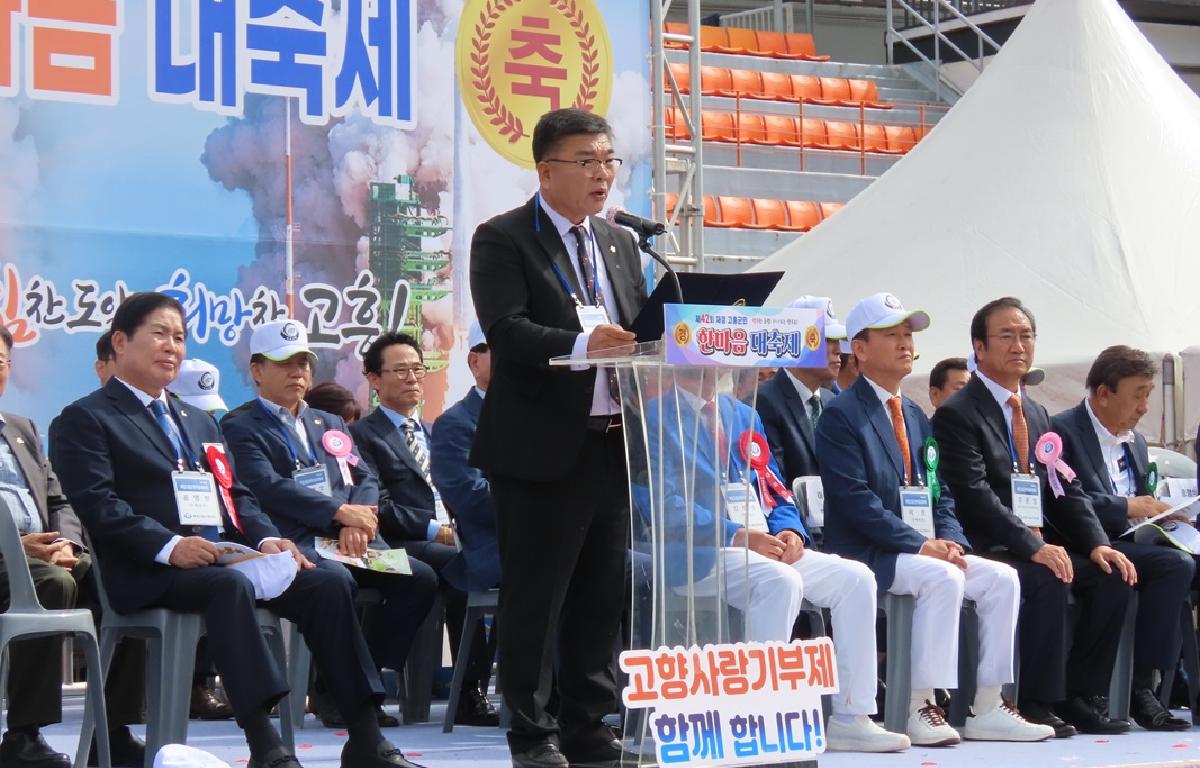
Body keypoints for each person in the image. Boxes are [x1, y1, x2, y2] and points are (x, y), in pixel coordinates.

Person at [52, 292, 423, 768]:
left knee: (327, 581)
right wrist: (170, 546)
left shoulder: (198, 418)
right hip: (149, 567)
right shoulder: (87, 418)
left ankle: (366, 737)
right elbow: (99, 506)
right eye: (160, 335)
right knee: (226, 586)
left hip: (224, 555)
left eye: (180, 337)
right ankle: (264, 743)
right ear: (120, 342)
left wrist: (268, 540)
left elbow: (238, 495)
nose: (172, 347)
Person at [469, 108, 648, 768]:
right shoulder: (504, 239)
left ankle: (587, 725)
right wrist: (582, 343)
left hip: (612, 443)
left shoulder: (622, 244)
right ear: (546, 170)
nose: (602, 173)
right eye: (586, 161)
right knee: (536, 600)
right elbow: (507, 330)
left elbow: (637, 333)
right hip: (539, 451)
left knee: (602, 597)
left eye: (609, 160)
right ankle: (531, 731)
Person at [818, 293, 1052, 746]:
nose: (906, 344)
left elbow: (939, 491)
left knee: (1002, 578)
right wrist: (920, 543)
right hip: (871, 551)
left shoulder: (914, 415)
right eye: (892, 336)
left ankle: (988, 704)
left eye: (909, 335)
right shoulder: (841, 414)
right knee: (942, 578)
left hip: (922, 548)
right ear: (860, 350)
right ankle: (921, 704)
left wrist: (952, 538)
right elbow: (854, 499)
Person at [643, 368, 912, 752]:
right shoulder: (654, 417)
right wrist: (734, 534)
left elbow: (773, 484)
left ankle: (852, 716)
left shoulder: (742, 415)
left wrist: (790, 531)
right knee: (779, 581)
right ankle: (753, 716)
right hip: (700, 551)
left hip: (761, 544)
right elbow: (659, 501)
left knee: (856, 579)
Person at [931, 296, 1137, 737]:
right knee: (1047, 577)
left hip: (1038, 540)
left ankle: (1080, 696)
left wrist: (1098, 541)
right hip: (991, 544)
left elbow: (1066, 488)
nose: (1018, 345)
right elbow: (974, 494)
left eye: (1026, 335)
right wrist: (1034, 546)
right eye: (1006, 336)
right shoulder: (957, 413)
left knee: (1110, 573)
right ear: (979, 348)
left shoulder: (1037, 413)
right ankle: (1036, 701)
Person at [221, 320, 438, 728]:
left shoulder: (329, 423)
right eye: (284, 364)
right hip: (295, 542)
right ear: (257, 370)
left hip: (346, 540)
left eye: (303, 363)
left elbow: (364, 478)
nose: (297, 373)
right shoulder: (239, 424)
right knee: (337, 580)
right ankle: (354, 695)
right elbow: (266, 487)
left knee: (419, 577)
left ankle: (346, 682)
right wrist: (339, 514)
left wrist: (358, 521)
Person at [0, 326, 146, 768]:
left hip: (44, 554)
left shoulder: (20, 428)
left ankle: (113, 730)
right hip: (11, 561)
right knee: (51, 583)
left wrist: (64, 541)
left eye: (0, 361)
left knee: (129, 583)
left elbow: (59, 497)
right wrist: (18, 546)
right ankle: (25, 735)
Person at [349, 330, 496, 727]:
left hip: (452, 538)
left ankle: (479, 687)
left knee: (482, 559)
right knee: (461, 566)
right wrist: (435, 529)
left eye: (418, 368)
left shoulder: (437, 430)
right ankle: (372, 683)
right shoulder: (360, 436)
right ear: (374, 379)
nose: (413, 378)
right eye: (400, 371)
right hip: (397, 542)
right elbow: (376, 505)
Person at [1051, 345, 1192, 731]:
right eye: (1138, 395)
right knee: (1172, 565)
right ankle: (1141, 686)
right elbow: (1064, 499)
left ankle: (1178, 683)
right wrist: (1129, 507)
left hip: (1136, 540)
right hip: (1084, 542)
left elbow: (1141, 499)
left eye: (1149, 395)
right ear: (1103, 394)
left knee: (1184, 561)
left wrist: (1164, 512)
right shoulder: (1062, 431)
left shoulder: (1137, 442)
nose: (1144, 407)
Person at [167, 358, 237, 721]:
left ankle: (246, 688)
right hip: (172, 543)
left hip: (214, 534)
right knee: (216, 580)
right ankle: (198, 685)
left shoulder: (211, 435)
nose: (205, 419)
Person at [430, 323, 502, 593]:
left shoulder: (538, 415)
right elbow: (470, 496)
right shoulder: (455, 423)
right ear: (475, 361)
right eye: (507, 351)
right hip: (498, 549)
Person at [757, 296, 846, 486]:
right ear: (795, 341)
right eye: (828, 340)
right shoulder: (764, 401)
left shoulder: (834, 402)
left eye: (838, 340)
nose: (838, 349)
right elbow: (774, 483)